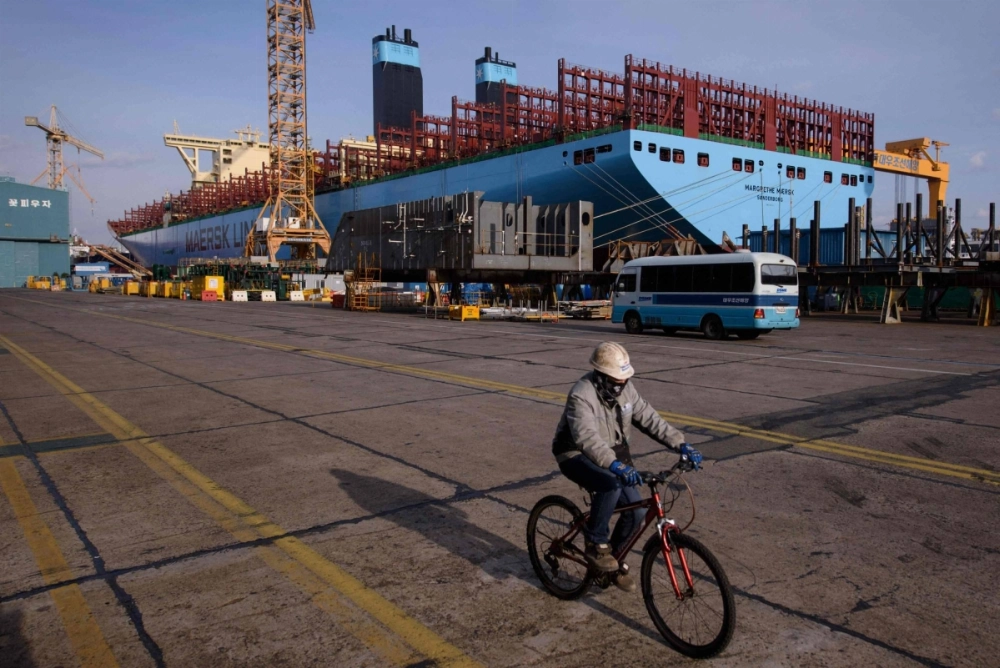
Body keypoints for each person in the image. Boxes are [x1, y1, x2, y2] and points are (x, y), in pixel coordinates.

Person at [552, 341, 702, 592]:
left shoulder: (626, 389)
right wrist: (614, 466)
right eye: (615, 381)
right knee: (609, 484)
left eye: (623, 381)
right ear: (600, 375)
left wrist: (681, 444)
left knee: (637, 513)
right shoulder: (582, 393)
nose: (620, 386)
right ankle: (596, 544)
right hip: (575, 453)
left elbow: (650, 418)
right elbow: (587, 437)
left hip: (612, 453)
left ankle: (612, 565)